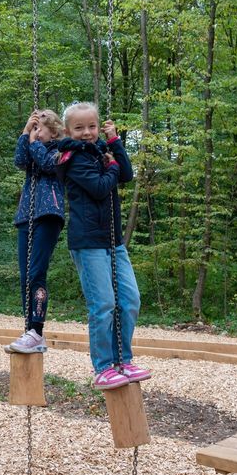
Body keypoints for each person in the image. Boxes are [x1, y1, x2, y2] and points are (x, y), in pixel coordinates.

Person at [55, 102, 150, 390]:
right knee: (104, 304)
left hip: (113, 240)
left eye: (92, 127)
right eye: (79, 128)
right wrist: (111, 164)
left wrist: (115, 143)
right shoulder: (71, 158)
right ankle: (104, 366)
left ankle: (123, 360)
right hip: (88, 241)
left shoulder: (98, 151)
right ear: (68, 131)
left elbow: (126, 175)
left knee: (130, 300)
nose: (86, 132)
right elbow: (99, 186)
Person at [6, 110, 64, 354]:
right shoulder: (32, 147)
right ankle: (29, 329)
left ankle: (37, 330)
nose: (35, 133)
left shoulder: (61, 151)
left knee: (36, 273)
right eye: (34, 128)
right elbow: (20, 161)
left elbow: (48, 164)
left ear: (53, 131)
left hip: (48, 214)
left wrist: (33, 142)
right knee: (25, 277)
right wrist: (24, 132)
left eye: (39, 128)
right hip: (26, 216)